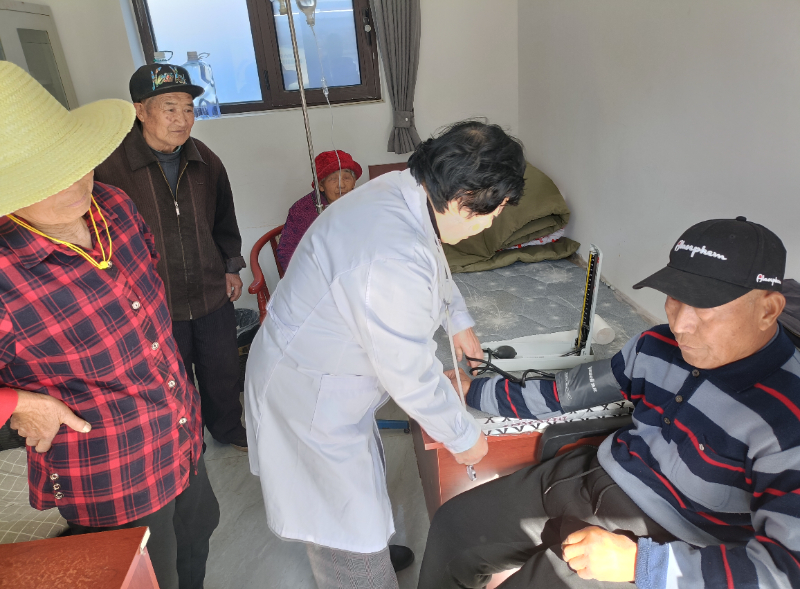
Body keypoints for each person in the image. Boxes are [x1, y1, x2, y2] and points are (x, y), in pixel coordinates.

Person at [418, 217, 800, 589]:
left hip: (674, 541)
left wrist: (641, 563)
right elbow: (567, 392)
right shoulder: (655, 346)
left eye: (705, 307)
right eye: (674, 298)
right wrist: (475, 390)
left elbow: (785, 571)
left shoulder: (788, 419)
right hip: (594, 476)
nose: (680, 325)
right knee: (454, 527)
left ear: (767, 309)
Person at [245, 121, 527, 588]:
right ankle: (360, 570)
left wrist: (457, 318)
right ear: (463, 198)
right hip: (309, 395)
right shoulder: (391, 252)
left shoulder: (406, 191)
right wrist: (464, 437)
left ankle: (368, 549)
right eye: (492, 212)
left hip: (319, 370)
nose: (491, 223)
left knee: (354, 500)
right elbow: (409, 373)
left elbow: (432, 258)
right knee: (340, 521)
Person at [0, 62, 217, 589]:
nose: (76, 183)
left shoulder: (114, 206)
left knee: (197, 537)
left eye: (76, 162)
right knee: (145, 574)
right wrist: (16, 403)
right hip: (112, 472)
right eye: (46, 176)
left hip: (179, 434)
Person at [94, 64, 248, 450]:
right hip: (151, 298)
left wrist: (230, 265)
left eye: (188, 109)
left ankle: (228, 429)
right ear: (140, 111)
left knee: (222, 369)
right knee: (170, 378)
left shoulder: (205, 160)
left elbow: (224, 218)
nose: (182, 119)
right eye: (169, 108)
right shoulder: (108, 167)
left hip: (209, 289)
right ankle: (186, 442)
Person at [275, 149, 362, 271]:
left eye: (347, 178)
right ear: (321, 185)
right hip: (319, 272)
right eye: (333, 179)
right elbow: (288, 251)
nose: (341, 185)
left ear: (354, 183)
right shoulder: (302, 210)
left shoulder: (364, 203)